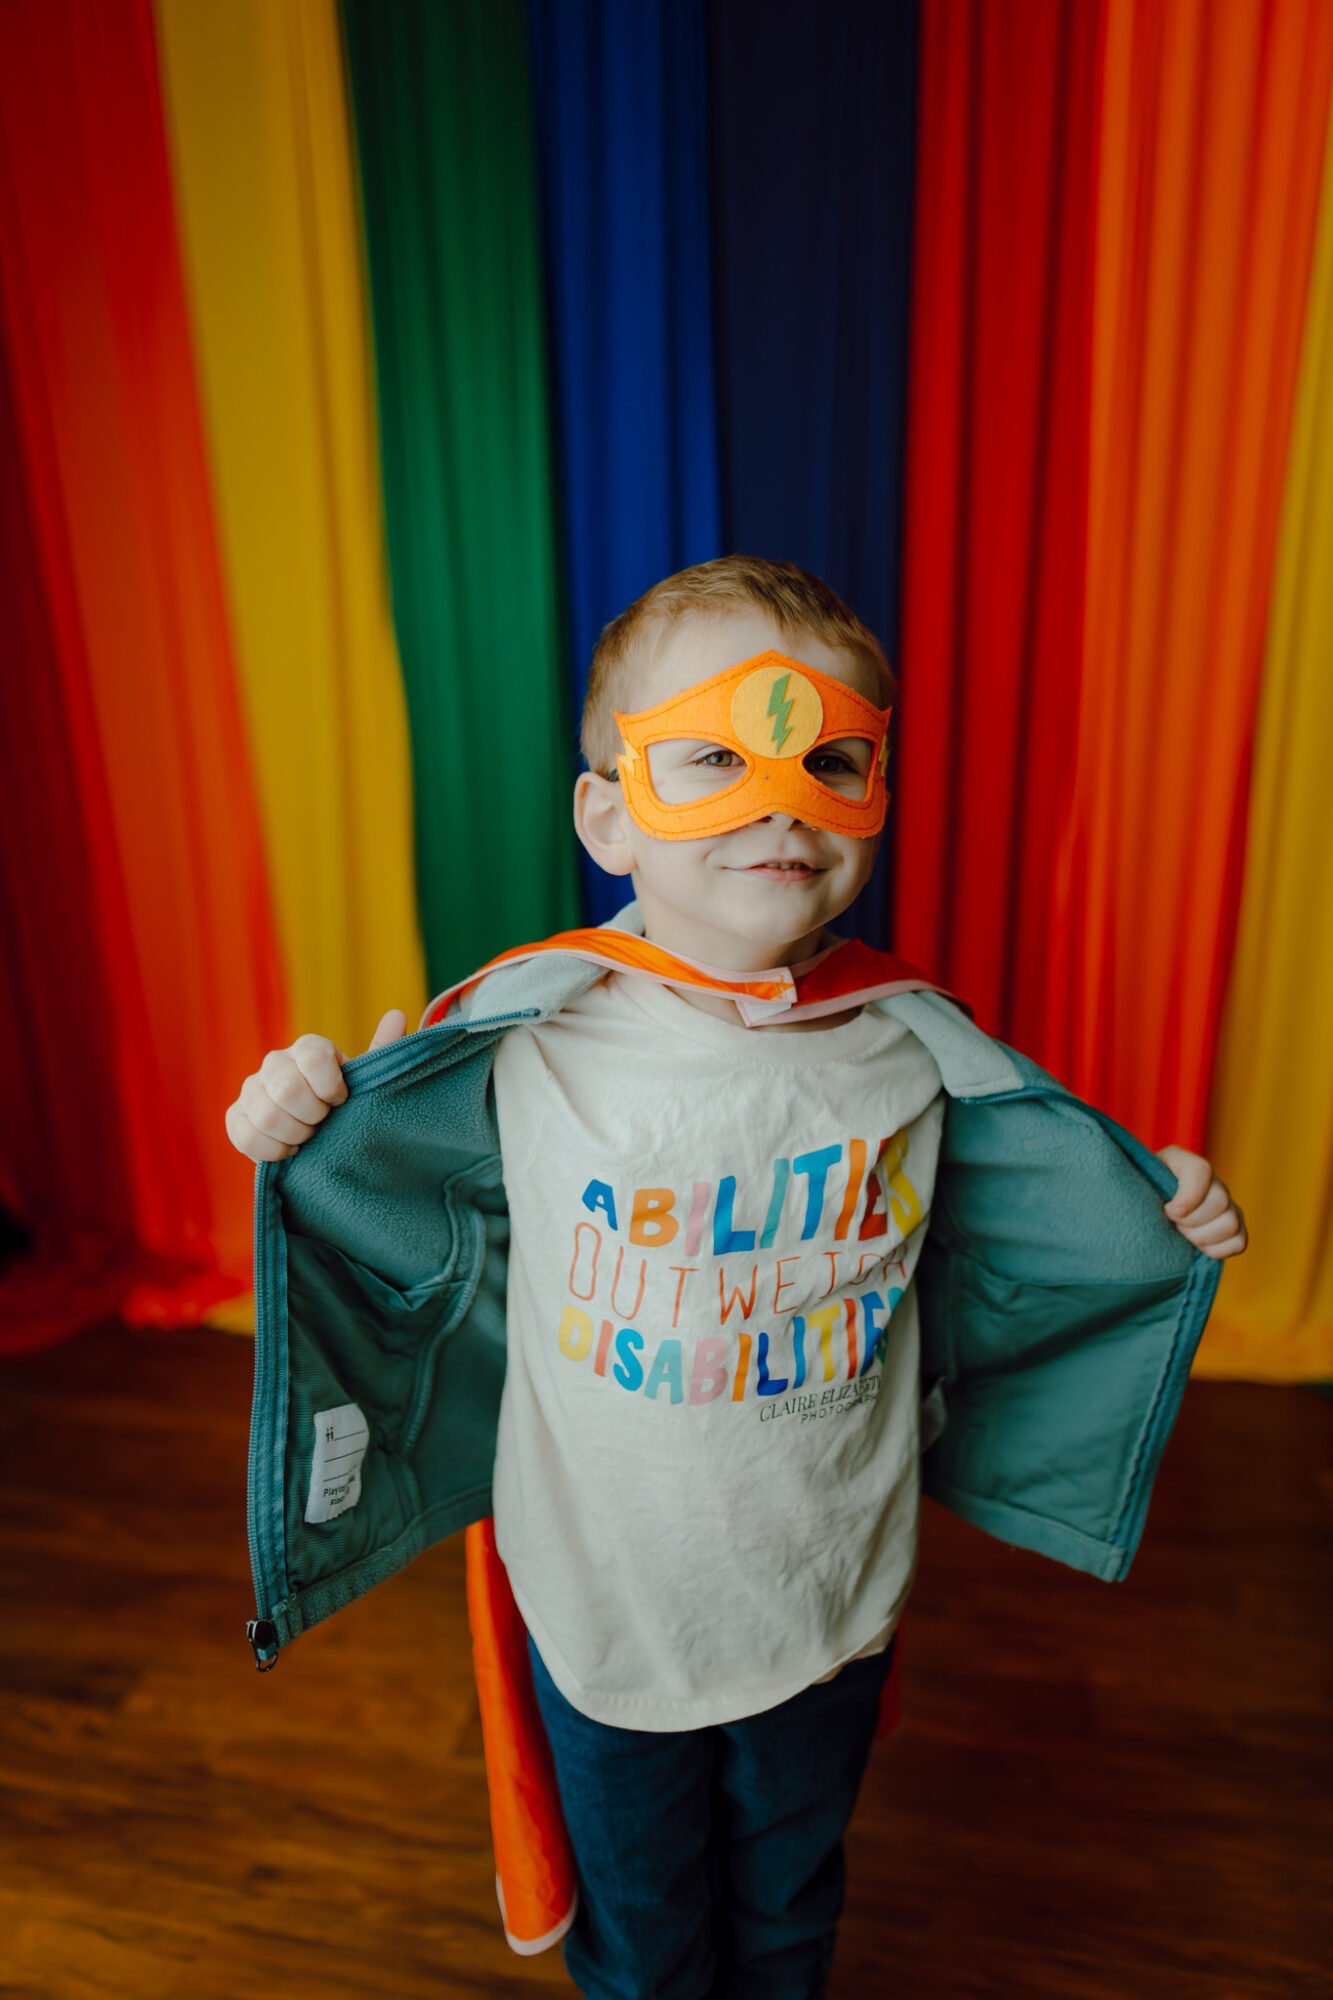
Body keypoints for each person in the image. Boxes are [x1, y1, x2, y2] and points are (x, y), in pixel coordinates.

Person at [225, 556, 1247, 1999]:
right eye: (713, 756)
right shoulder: (524, 1031)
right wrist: (285, 1107)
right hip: (605, 1605)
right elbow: (364, 1166)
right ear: (609, 812)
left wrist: (1159, 1208)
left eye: (832, 758)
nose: (779, 799)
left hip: (825, 1600)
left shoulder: (912, 1044)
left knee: (784, 1915)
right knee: (645, 1944)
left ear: (876, 794)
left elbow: (1022, 1238)